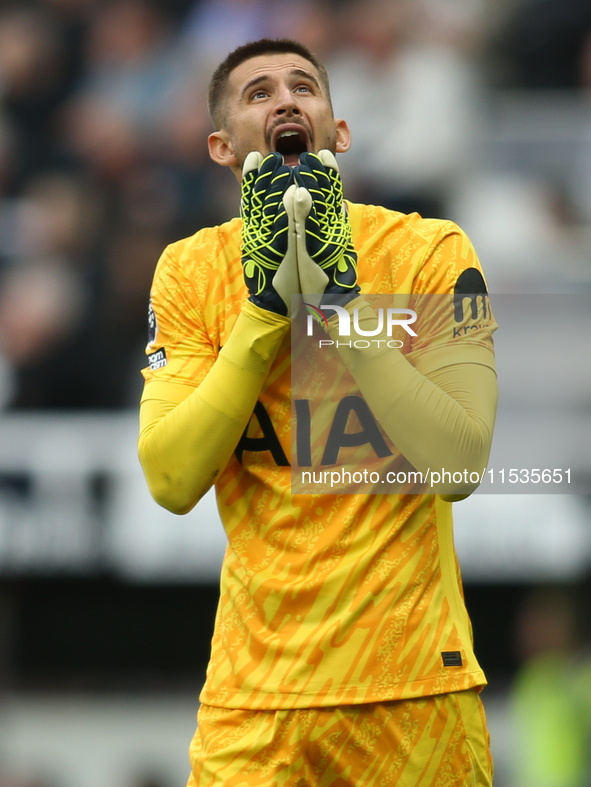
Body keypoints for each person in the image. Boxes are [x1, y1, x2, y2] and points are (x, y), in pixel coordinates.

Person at [138, 38, 497, 787]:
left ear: (338, 132)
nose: (286, 100)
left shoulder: (429, 250)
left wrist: (341, 307)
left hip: (411, 687)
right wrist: (267, 311)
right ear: (221, 146)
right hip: (254, 698)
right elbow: (171, 479)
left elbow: (460, 463)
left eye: (303, 87)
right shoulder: (190, 270)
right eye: (258, 93)